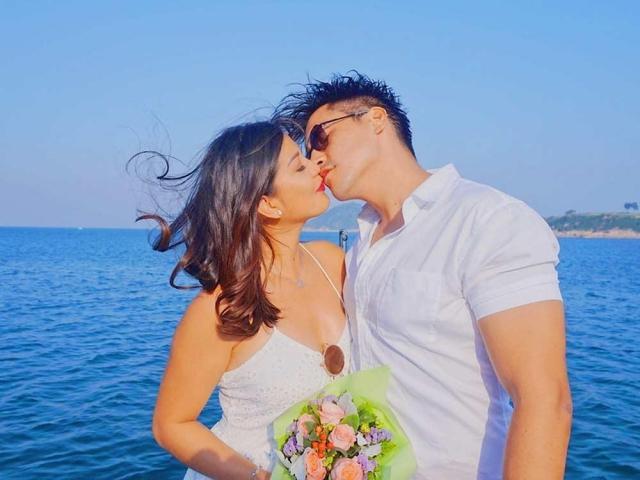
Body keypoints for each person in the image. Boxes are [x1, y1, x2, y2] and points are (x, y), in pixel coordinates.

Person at [274, 72, 572, 479]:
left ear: (375, 120)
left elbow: (544, 399)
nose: (316, 159)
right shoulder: (361, 248)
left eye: (321, 137)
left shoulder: (486, 220)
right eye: (309, 151)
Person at [139, 121, 350, 478]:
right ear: (267, 204)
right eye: (298, 165)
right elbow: (171, 424)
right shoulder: (222, 308)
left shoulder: (332, 262)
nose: (316, 163)